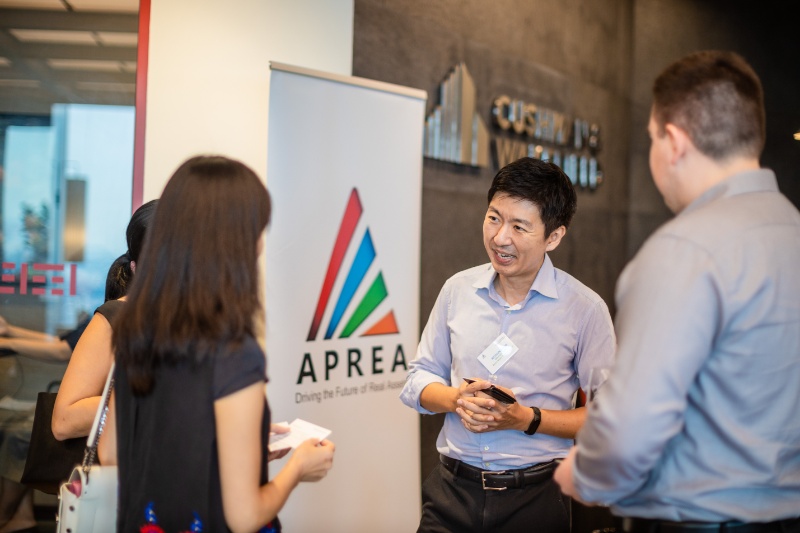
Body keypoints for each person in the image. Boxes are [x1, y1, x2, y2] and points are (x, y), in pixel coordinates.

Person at [554, 50, 800, 532]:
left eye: (651, 137)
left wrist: (585, 474)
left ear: (674, 142)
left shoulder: (683, 250)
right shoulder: (791, 229)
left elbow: (628, 430)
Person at [97, 155, 335, 533]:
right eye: (256, 229)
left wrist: (238, 448)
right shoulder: (235, 353)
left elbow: (112, 453)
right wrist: (297, 468)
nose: (260, 244)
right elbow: (244, 517)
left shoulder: (136, 331)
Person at [400, 156, 616, 533]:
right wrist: (456, 399)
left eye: (519, 226)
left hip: (535, 500)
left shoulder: (584, 310)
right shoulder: (457, 291)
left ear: (553, 236)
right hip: (451, 492)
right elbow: (418, 378)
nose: (500, 238)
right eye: (494, 218)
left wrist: (525, 418)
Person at [51, 199, 157, 441]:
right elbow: (64, 420)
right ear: (135, 268)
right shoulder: (116, 318)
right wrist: (156, 401)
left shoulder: (200, 321)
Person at [0, 315, 88, 533]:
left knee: (21, 435)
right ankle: (23, 516)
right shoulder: (100, 311)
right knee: (20, 429)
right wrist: (9, 330)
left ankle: (4, 513)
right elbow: (60, 342)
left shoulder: (109, 313)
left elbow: (63, 351)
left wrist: (8, 342)